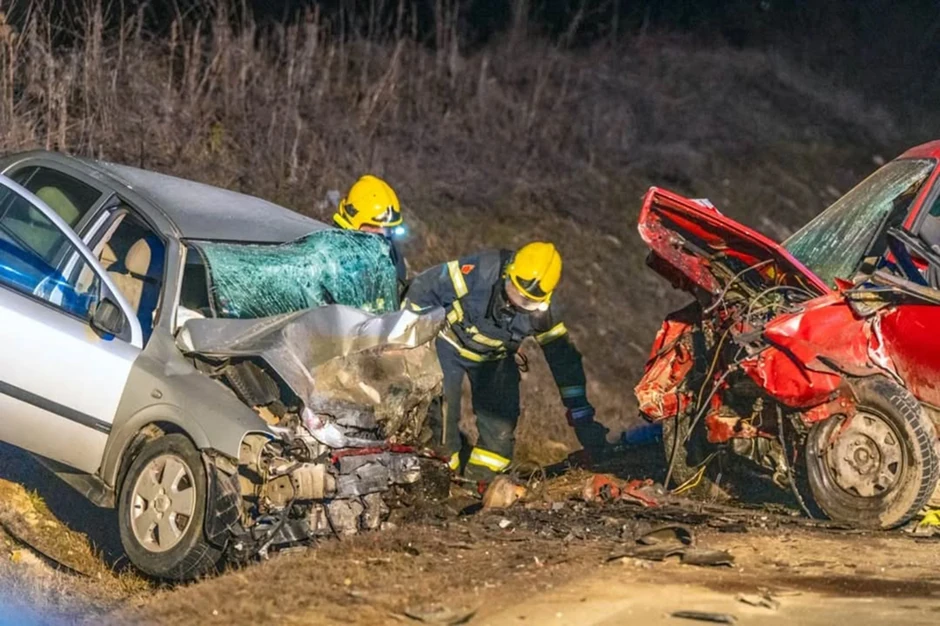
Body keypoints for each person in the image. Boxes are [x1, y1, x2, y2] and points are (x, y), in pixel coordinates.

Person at [403, 241, 608, 481]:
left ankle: (479, 484)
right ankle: (440, 478)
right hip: (449, 345)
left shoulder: (545, 314)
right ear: (507, 273)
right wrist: (407, 338)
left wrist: (580, 412)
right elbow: (425, 287)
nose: (517, 303)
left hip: (495, 358)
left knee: (500, 430)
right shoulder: (482, 270)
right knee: (442, 421)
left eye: (528, 302)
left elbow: (564, 362)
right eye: (515, 292)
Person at [332, 174, 409, 296]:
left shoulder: (394, 259)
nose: (381, 238)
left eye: (387, 230)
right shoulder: (328, 258)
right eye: (373, 228)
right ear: (351, 224)